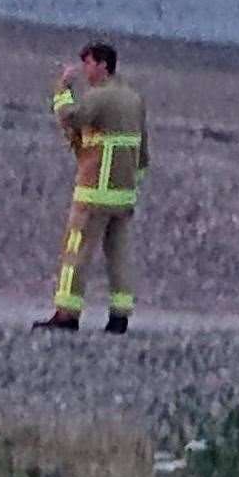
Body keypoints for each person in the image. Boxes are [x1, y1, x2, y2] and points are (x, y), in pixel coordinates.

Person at [34, 42, 149, 334]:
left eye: (87, 64)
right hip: (123, 194)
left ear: (102, 65)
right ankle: (120, 316)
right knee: (119, 255)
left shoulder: (100, 98)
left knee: (76, 252)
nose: (85, 70)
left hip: (94, 191)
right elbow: (143, 150)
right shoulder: (134, 99)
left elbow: (71, 117)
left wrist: (62, 90)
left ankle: (67, 314)